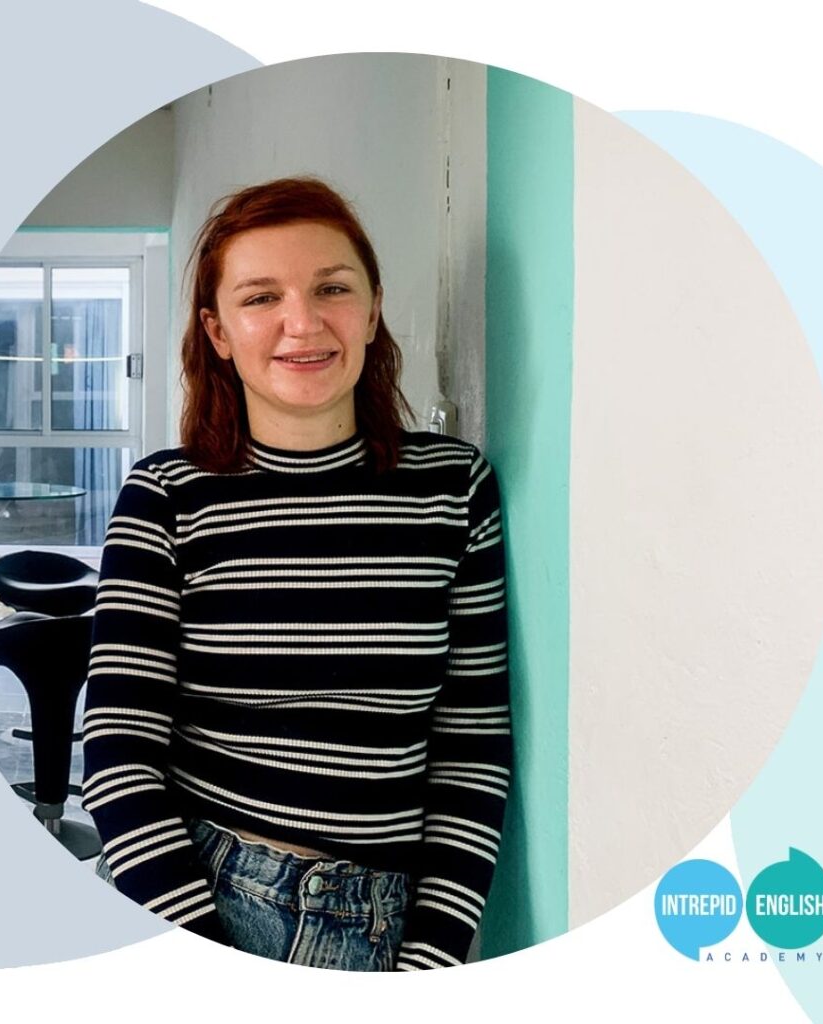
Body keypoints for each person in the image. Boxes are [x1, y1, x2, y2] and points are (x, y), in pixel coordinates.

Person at [81, 177, 510, 971]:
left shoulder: (455, 490)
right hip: (195, 891)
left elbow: (472, 748)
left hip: (378, 926)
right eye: (260, 297)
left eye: (332, 289)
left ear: (373, 309)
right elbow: (116, 750)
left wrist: (433, 957)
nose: (302, 322)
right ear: (217, 331)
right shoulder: (168, 496)